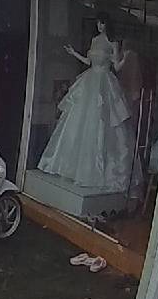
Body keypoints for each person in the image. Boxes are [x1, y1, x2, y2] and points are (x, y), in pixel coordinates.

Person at [37, 12, 136, 193]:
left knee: (102, 122)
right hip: (90, 80)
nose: (100, 26)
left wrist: (125, 58)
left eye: (102, 23)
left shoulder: (113, 43)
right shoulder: (94, 40)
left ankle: (98, 171)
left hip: (104, 82)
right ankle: (71, 166)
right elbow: (89, 61)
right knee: (79, 121)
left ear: (107, 24)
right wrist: (74, 53)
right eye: (98, 23)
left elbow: (117, 66)